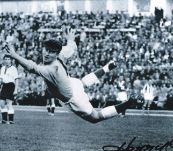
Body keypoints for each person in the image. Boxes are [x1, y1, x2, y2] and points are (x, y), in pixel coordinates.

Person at [4, 28, 139, 124]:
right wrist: (70, 39)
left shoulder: (51, 69)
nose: (46, 54)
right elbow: (71, 48)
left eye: (51, 52)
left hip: (72, 97)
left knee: (95, 118)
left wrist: (15, 55)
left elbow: (30, 66)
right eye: (46, 50)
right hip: (71, 83)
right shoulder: (61, 54)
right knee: (83, 83)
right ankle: (107, 67)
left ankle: (126, 104)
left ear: (56, 53)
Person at [0, 54, 19, 124]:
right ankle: (4, 120)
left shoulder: (13, 69)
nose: (7, 61)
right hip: (4, 86)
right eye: (6, 59)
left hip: (11, 86)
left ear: (11, 60)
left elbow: (16, 79)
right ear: (4, 60)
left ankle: (11, 120)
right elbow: (1, 79)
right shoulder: (2, 68)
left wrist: (16, 89)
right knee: (1, 103)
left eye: (8, 59)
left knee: (9, 103)